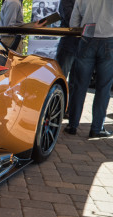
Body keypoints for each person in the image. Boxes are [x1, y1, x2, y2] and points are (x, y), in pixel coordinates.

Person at [65, 0, 113, 137]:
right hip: (109, 39)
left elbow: (74, 22)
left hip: (87, 38)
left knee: (79, 85)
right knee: (103, 87)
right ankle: (97, 128)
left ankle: (72, 125)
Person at [55, 0, 78, 118]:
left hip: (81, 45)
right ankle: (57, 107)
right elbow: (70, 19)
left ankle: (67, 109)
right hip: (68, 43)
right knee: (60, 76)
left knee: (75, 81)